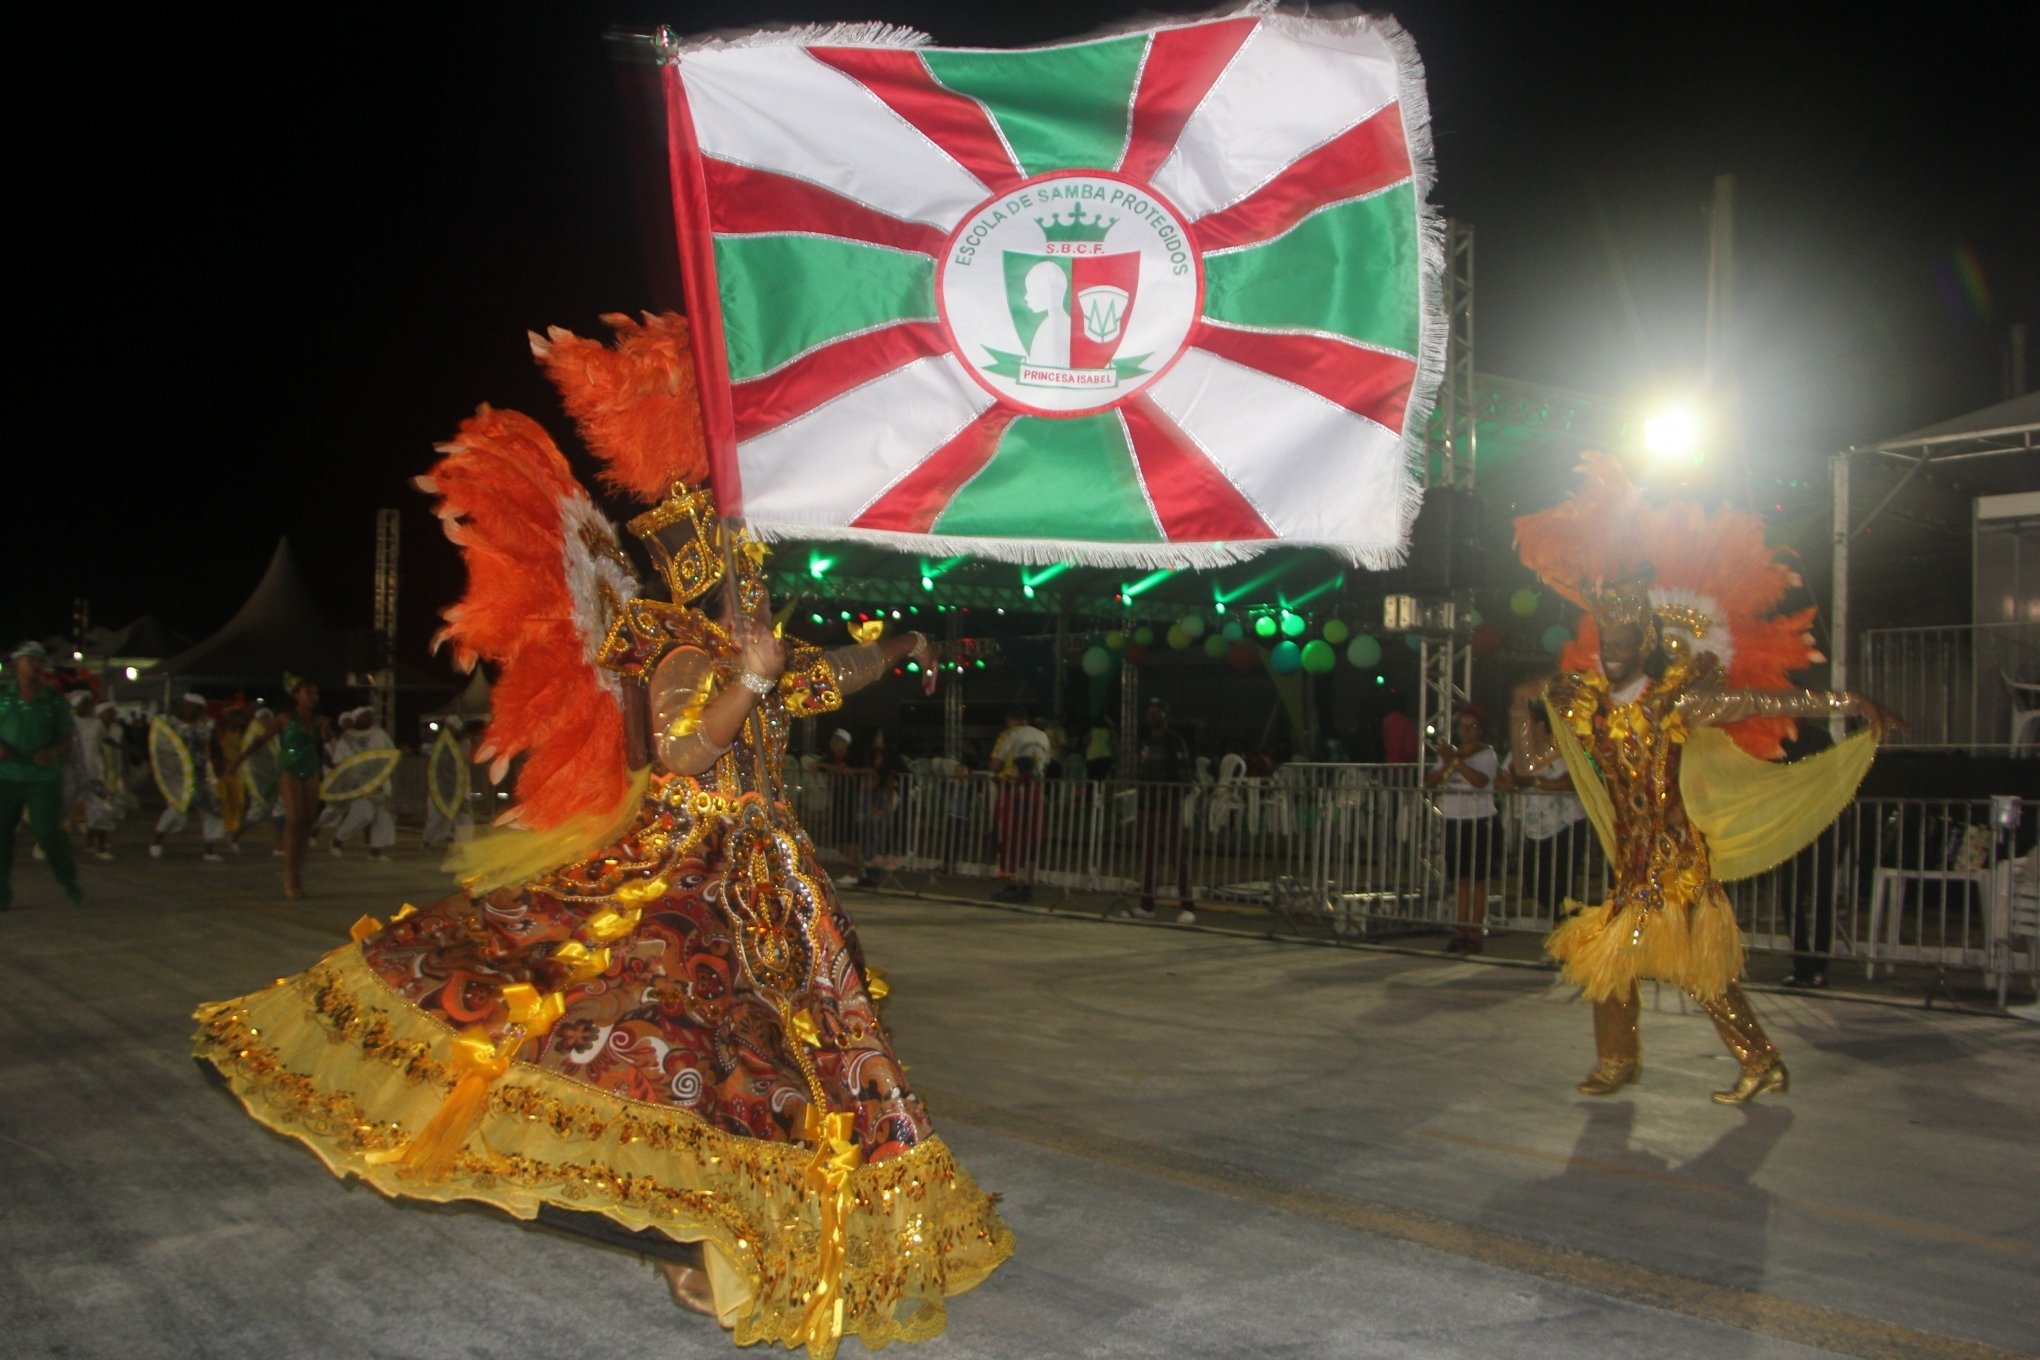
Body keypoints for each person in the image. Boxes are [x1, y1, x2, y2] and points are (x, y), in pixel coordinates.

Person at [192, 312, 1009, 1350]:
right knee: (679, 1053)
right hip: (686, 872)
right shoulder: (676, 658)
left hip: (774, 885)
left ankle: (718, 1240)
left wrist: (900, 644)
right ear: (703, 576)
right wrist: (746, 681)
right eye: (739, 572)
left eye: (755, 572)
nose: (754, 586)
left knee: (798, 1065)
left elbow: (827, 673)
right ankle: (698, 1242)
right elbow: (682, 756)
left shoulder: (760, 651)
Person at [1513, 453, 1900, 1104]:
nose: (1612, 644)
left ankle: (1675, 1061)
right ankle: (1683, 1061)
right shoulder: (1591, 713)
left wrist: (1850, 703)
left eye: (1625, 634)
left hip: (1677, 866)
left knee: (1663, 965)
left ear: (1645, 641)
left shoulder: (1674, 703)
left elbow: (1767, 703)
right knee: (1630, 965)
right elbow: (1527, 765)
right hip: (1633, 867)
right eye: (1606, 633)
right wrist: (1520, 703)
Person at [0, 641, 82, 909]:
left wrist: (51, 751)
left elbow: (67, 736)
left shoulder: (53, 700)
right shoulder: (4, 696)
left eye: (39, 661)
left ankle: (69, 881)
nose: (35, 666)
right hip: (7, 776)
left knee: (47, 831)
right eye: (29, 660)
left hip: (43, 777)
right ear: (17, 664)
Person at [1498, 684, 1587, 919]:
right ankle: (1562, 927)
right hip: (1534, 828)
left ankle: (1567, 933)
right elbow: (1502, 781)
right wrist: (1514, 783)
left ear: (1539, 725)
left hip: (1565, 826)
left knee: (1560, 884)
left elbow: (1569, 782)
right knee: (1534, 882)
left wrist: (1533, 783)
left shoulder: (1561, 749)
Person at [1425, 704, 1498, 953]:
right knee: (1461, 880)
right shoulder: (1451, 758)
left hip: (1478, 819)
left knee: (1477, 880)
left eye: (1471, 727)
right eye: (1462, 727)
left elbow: (1480, 781)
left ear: (1480, 731)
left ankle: (1475, 932)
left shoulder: (1487, 755)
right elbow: (1430, 781)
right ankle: (1460, 931)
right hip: (1454, 818)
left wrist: (1456, 761)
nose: (1466, 732)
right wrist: (1449, 763)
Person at [246, 676, 325, 898]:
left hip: (310, 768)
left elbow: (327, 742)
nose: (313, 697)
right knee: (294, 819)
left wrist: (325, 728)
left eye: (315, 693)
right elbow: (260, 740)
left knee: (308, 822)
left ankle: (298, 871)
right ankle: (289, 874)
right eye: (308, 692)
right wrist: (238, 761)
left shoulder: (317, 720)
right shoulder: (284, 718)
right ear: (296, 695)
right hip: (289, 768)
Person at [1131, 698, 1194, 923]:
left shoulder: (1174, 741)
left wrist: (1174, 798)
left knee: (1176, 854)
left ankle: (1188, 906)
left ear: (1165, 715)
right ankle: (1147, 906)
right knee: (1148, 855)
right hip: (1147, 806)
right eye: (1149, 710)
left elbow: (1185, 774)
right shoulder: (1145, 740)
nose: (1152, 714)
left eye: (1157, 710)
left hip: (1168, 806)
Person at [151, 692, 225, 861]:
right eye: (186, 706)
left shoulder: (208, 725)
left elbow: (216, 747)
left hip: (202, 775)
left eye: (192, 707)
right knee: (177, 810)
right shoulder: (173, 725)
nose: (188, 709)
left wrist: (220, 765)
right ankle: (157, 841)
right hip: (181, 776)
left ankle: (210, 850)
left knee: (213, 810)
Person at [988, 707, 1050, 903]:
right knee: (1030, 843)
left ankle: (1011, 884)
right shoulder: (1043, 736)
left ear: (1010, 720)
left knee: (1009, 839)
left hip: (1013, 790)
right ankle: (1027, 887)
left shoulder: (1011, 734)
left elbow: (996, 764)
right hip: (1036, 791)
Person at [327, 706, 397, 859]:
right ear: (357, 719)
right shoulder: (347, 738)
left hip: (380, 782)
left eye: (371, 715)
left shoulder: (379, 733)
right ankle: (337, 841)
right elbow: (339, 762)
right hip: (359, 785)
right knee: (363, 814)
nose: (370, 718)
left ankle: (375, 851)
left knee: (383, 816)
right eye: (366, 716)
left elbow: (391, 753)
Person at [852, 727, 904, 889]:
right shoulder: (867, 758)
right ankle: (870, 873)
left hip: (880, 799)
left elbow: (887, 787)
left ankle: (875, 873)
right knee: (868, 837)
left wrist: (879, 807)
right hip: (872, 799)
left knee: (876, 837)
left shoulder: (888, 765)